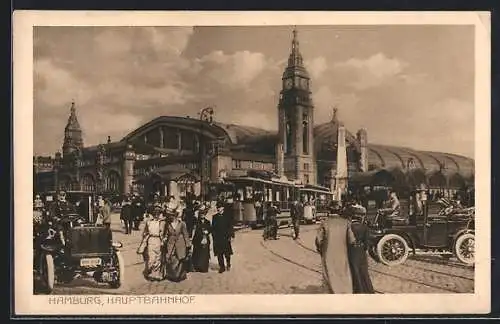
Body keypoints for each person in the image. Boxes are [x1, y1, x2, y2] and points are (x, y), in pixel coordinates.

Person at [315, 205, 353, 294]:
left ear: (329, 211)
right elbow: (351, 240)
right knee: (343, 272)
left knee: (328, 273)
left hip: (328, 253)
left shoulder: (325, 223)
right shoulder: (346, 222)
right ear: (339, 211)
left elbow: (318, 240)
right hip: (342, 253)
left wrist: (321, 250)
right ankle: (344, 292)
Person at [345, 203, 375, 294]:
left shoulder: (349, 227)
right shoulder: (364, 227)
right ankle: (367, 290)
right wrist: (364, 248)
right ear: (360, 217)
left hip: (352, 251)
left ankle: (357, 290)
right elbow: (367, 243)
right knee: (364, 271)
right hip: (361, 251)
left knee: (354, 271)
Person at [162, 201, 192, 282]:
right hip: (170, 243)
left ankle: (180, 276)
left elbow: (185, 234)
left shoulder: (182, 223)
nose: (170, 217)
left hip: (180, 243)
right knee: (171, 259)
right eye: (169, 216)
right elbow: (166, 234)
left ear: (174, 215)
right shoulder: (167, 224)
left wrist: (188, 245)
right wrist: (164, 239)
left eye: (171, 215)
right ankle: (172, 275)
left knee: (180, 260)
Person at [137, 204, 166, 281]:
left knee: (158, 258)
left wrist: (163, 240)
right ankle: (150, 272)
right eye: (155, 214)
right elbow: (145, 232)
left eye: (158, 213)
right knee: (151, 257)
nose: (156, 215)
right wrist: (144, 241)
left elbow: (164, 233)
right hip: (151, 240)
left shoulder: (162, 222)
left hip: (159, 240)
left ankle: (155, 274)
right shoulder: (149, 222)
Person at [211, 201, 234, 273]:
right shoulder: (214, 217)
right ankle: (222, 267)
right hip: (218, 238)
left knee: (227, 253)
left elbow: (230, 226)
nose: (218, 209)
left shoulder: (227, 216)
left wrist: (231, 235)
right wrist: (214, 236)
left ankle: (228, 263)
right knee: (219, 253)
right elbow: (213, 228)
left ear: (223, 208)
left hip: (225, 237)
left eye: (220, 207)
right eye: (217, 207)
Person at [191, 207, 212, 272]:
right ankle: (197, 267)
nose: (202, 215)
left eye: (203, 214)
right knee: (197, 253)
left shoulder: (208, 222)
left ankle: (204, 267)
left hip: (206, 239)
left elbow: (210, 229)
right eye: (201, 214)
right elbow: (195, 230)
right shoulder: (197, 222)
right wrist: (201, 235)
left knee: (205, 253)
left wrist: (207, 232)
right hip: (198, 239)